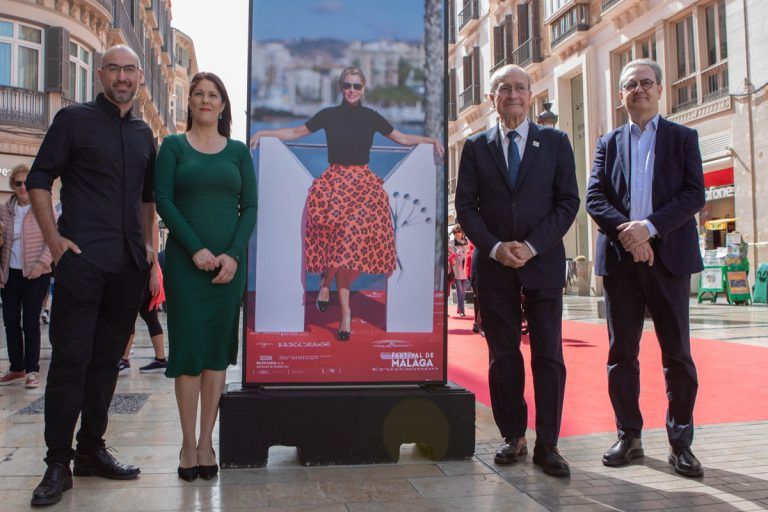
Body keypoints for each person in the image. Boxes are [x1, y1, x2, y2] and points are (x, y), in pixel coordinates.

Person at [26, 45, 155, 506]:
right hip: (82, 263)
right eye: (114, 69)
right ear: (101, 75)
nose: (122, 77)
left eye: (130, 70)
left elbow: (147, 197)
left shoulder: (144, 134)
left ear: (140, 77)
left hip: (127, 268)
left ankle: (91, 450)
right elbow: (40, 179)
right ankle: (56, 462)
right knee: (69, 363)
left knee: (107, 365)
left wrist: (150, 249)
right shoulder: (73, 120)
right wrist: (55, 242)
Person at [250, 66, 444, 341]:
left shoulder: (371, 117)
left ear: (363, 89)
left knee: (350, 242)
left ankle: (327, 284)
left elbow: (400, 138)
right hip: (335, 184)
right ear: (341, 88)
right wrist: (263, 134)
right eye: (347, 86)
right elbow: (295, 133)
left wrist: (429, 140)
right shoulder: (328, 115)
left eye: (356, 86)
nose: (352, 90)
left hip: (363, 186)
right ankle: (345, 314)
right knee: (341, 243)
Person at [455, 64, 579, 477]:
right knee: (503, 355)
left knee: (549, 356)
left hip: (541, 266)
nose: (512, 94)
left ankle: (548, 444)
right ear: (492, 98)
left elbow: (567, 203)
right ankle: (514, 436)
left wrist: (530, 246)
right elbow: (466, 208)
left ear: (531, 95)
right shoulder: (475, 148)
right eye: (504, 89)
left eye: (520, 88)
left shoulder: (557, 142)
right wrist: (493, 247)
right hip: (494, 270)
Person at [586, 59, 706, 478]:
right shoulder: (607, 143)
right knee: (622, 354)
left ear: (660, 89)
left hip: (668, 260)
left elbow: (694, 194)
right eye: (630, 85)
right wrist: (629, 233)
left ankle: (681, 443)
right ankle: (629, 436)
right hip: (621, 263)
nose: (638, 90)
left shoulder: (683, 137)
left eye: (646, 83)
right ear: (621, 96)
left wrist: (650, 228)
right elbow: (594, 198)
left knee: (678, 356)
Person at [155, 71, 256, 482]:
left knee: (216, 353)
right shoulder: (173, 147)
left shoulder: (237, 151)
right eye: (198, 94)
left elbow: (249, 207)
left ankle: (205, 443)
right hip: (184, 264)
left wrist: (232, 254)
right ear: (190, 103)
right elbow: (163, 199)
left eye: (212, 94)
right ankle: (185, 442)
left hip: (228, 269)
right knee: (188, 353)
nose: (204, 100)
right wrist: (195, 247)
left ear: (222, 104)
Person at [0, 164, 53, 389]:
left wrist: (41, 265)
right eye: (18, 183)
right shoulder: (4, 210)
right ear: (12, 185)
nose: (23, 187)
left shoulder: (43, 208)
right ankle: (17, 367)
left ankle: (32, 370)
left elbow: (53, 239)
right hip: (9, 272)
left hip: (35, 273)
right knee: (10, 321)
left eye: (26, 183)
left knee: (30, 322)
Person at [118, 219, 167, 375]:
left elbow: (153, 241)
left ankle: (124, 359)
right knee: (149, 315)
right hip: (140, 269)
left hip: (143, 271)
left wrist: (153, 273)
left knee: (129, 313)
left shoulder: (144, 212)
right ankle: (160, 359)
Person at [450, 225, 469, 317]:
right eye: (455, 233)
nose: (457, 234)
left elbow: (468, 254)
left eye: (458, 232)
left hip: (465, 269)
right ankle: (462, 310)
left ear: (462, 232)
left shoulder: (467, 242)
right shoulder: (452, 243)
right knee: (460, 290)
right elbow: (450, 257)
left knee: (463, 291)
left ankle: (459, 307)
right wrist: (455, 255)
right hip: (457, 269)